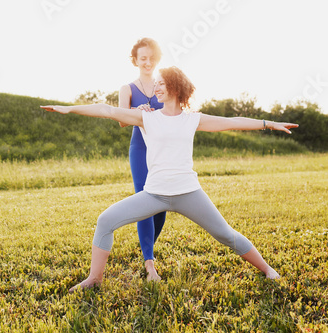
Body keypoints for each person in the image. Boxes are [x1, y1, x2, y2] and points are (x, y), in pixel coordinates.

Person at [40, 66, 298, 293]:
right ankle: (95, 278)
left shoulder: (193, 119)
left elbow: (232, 122)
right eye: (156, 84)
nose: (156, 87)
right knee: (105, 220)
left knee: (226, 235)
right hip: (154, 194)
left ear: (175, 86)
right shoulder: (146, 117)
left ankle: (267, 269)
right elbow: (107, 110)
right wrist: (70, 108)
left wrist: (268, 123)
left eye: (161, 83)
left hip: (189, 193)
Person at [119, 38, 166, 282]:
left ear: (157, 59)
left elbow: (176, 111)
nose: (147, 62)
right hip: (140, 149)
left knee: (163, 205)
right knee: (145, 201)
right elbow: (121, 119)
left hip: (164, 150)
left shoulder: (163, 85)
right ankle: (149, 264)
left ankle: (146, 249)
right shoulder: (128, 89)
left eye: (151, 58)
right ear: (136, 60)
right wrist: (138, 112)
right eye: (143, 58)